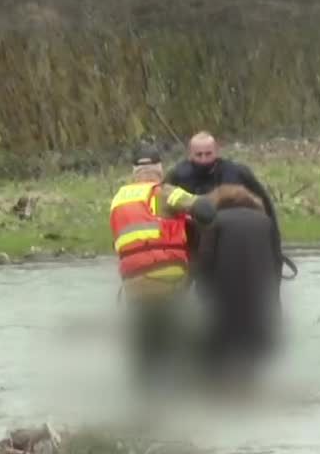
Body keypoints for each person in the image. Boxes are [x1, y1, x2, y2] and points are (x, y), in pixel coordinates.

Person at [109, 143, 216, 389]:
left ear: (134, 171)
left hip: (134, 288)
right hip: (167, 285)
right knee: (185, 341)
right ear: (160, 169)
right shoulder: (165, 192)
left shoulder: (118, 201)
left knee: (146, 353)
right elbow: (205, 211)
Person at [193, 184, 283, 391]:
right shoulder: (265, 222)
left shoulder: (214, 221)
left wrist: (201, 292)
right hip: (259, 302)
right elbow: (277, 262)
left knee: (217, 364)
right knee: (250, 363)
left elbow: (205, 261)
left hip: (224, 303)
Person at [164, 131, 284, 273]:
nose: (204, 160)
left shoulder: (238, 173)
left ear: (217, 151)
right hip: (193, 242)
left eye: (208, 154)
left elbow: (267, 209)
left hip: (231, 242)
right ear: (190, 154)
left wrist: (276, 254)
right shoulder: (177, 176)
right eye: (199, 155)